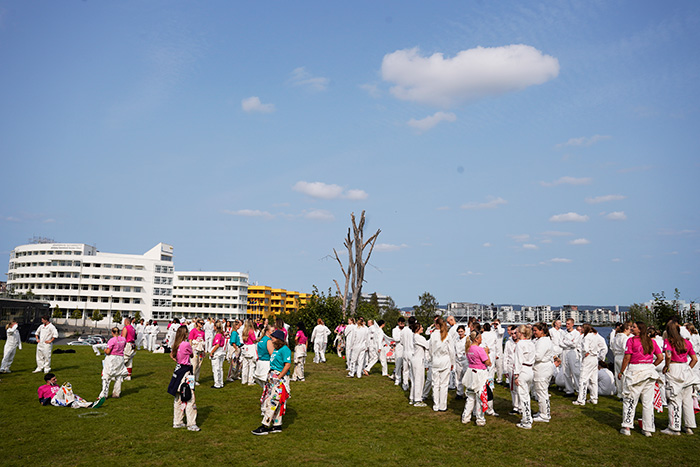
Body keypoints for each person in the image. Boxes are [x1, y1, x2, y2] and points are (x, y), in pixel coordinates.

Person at [618, 321, 663, 437]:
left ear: (639, 329)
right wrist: (652, 365)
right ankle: (648, 428)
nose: (631, 328)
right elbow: (660, 357)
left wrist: (621, 371)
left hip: (636, 370)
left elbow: (627, 357)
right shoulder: (651, 341)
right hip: (649, 371)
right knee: (647, 402)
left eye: (634, 327)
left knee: (630, 399)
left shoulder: (631, 340)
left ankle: (627, 426)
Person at [660, 321, 698, 435]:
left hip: (674, 368)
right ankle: (689, 426)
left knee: (674, 399)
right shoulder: (687, 342)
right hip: (685, 368)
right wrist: (688, 369)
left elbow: (668, 355)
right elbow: (694, 359)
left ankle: (674, 427)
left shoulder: (668, 341)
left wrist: (666, 366)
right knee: (687, 400)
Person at [252, 330, 292, 435]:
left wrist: (279, 377)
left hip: (279, 379)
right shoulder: (276, 349)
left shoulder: (285, 349)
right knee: (275, 401)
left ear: (278, 339)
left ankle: (265, 425)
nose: (271, 338)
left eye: (273, 337)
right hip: (273, 377)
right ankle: (277, 425)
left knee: (273, 401)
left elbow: (287, 364)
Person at [167, 325, 199, 431]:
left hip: (178, 370)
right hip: (186, 372)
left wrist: (178, 360)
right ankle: (191, 423)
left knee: (178, 397)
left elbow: (172, 355)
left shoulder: (176, 344)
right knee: (190, 396)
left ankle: (177, 421)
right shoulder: (186, 344)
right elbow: (192, 355)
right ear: (185, 334)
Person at [461, 330, 491, 426]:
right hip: (479, 373)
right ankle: (480, 419)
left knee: (470, 396)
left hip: (471, 371)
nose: (482, 339)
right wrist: (487, 353)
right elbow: (488, 363)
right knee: (480, 397)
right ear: (477, 339)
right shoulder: (480, 349)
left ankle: (465, 417)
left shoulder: (468, 348)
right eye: (480, 338)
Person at [429, 317, 454, 412]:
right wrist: (452, 362)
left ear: (436, 325)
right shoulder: (447, 335)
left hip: (436, 360)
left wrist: (431, 358)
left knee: (435, 384)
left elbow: (430, 349)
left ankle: (436, 405)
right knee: (444, 384)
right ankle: (442, 406)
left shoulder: (433, 335)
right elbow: (451, 350)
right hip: (445, 360)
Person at [574, 324, 603, 406]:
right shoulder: (595, 336)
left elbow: (585, 349)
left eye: (582, 328)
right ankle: (594, 398)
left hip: (588, 358)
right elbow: (601, 346)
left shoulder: (586, 337)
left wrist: (585, 353)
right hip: (595, 358)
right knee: (593, 379)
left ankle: (581, 399)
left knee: (583, 379)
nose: (581, 330)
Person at [513, 325, 536, 429]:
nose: (516, 334)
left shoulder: (520, 344)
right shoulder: (531, 343)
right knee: (527, 395)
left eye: (517, 332)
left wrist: (516, 375)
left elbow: (518, 360)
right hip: (530, 369)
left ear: (521, 333)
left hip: (523, 370)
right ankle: (528, 417)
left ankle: (526, 421)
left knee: (523, 396)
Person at [532, 322, 554, 422]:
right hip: (544, 367)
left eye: (535, 330)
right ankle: (543, 411)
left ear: (542, 331)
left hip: (542, 368)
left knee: (541, 392)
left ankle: (544, 415)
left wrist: (527, 357)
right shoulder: (543, 340)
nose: (534, 332)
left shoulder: (543, 341)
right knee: (542, 391)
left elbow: (538, 356)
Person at [99, 326, 128, 401]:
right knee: (118, 376)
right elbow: (124, 347)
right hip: (120, 358)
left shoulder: (111, 340)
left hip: (112, 358)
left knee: (107, 375)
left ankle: (103, 395)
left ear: (112, 332)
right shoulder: (123, 339)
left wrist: (105, 350)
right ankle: (116, 393)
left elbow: (108, 352)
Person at [410, 321, 429, 407]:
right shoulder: (418, 337)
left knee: (414, 380)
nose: (422, 328)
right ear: (417, 329)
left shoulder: (414, 336)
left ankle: (412, 397)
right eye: (421, 327)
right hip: (418, 360)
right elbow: (428, 345)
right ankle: (417, 399)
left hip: (415, 359)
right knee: (419, 380)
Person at [560, 318, 581, 395]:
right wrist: (569, 343)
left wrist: (565, 342)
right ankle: (569, 390)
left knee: (575, 372)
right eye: (566, 323)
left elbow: (574, 344)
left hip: (573, 351)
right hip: (564, 351)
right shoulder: (563, 332)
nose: (567, 325)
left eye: (568, 324)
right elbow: (560, 343)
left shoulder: (576, 333)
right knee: (566, 372)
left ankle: (579, 390)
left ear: (572, 324)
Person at [612, 322, 632, 399]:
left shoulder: (616, 337)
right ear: (625, 329)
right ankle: (624, 393)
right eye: (629, 329)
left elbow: (612, 347)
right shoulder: (625, 338)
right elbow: (625, 348)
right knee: (624, 375)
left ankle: (619, 393)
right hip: (622, 356)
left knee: (617, 375)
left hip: (616, 356)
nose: (630, 331)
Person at [210, 322, 227, 389]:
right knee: (220, 368)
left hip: (217, 352)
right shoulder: (222, 335)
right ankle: (221, 382)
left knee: (216, 368)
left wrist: (212, 352)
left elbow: (217, 345)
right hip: (221, 351)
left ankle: (217, 383)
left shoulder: (218, 335)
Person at [454, 325, 468, 400]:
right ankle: (459, 393)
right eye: (459, 332)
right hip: (458, 360)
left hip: (465, 360)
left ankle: (467, 393)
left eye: (461, 331)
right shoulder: (456, 339)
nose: (460, 333)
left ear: (464, 331)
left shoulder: (467, 339)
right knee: (459, 377)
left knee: (466, 377)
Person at [391, 317, 406, 386]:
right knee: (398, 364)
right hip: (399, 348)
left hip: (406, 348)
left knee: (406, 365)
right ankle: (397, 379)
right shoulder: (395, 330)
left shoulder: (406, 329)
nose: (402, 325)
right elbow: (395, 339)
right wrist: (402, 338)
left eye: (403, 323)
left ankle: (405, 380)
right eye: (401, 323)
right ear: (398, 323)